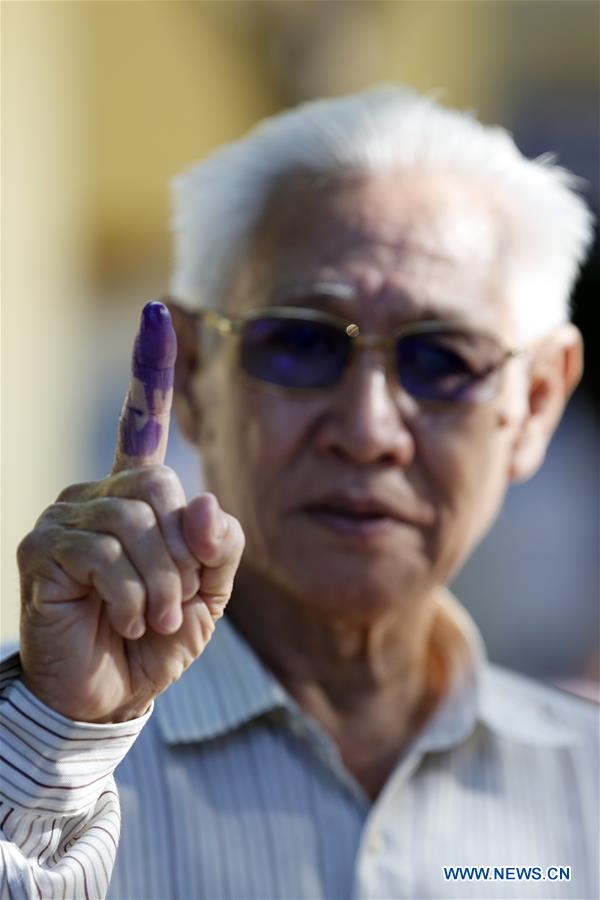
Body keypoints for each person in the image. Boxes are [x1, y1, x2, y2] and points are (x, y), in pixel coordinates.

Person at [1, 86, 598, 900]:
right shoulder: (41, 723)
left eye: (443, 360)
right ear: (199, 375)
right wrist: (59, 742)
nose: (367, 427)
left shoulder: (582, 787)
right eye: (301, 345)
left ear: (533, 404)